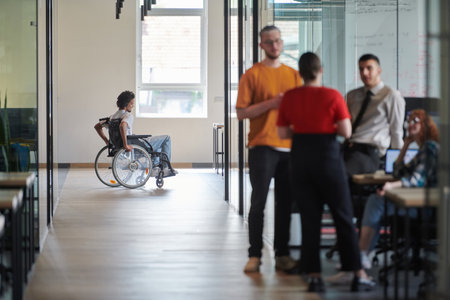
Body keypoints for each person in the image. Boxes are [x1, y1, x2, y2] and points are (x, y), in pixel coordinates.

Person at [277, 52, 375, 292]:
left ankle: (314, 276)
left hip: (300, 159)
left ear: (300, 72)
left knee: (310, 220)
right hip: (328, 159)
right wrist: (325, 125)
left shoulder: (290, 97)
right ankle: (356, 274)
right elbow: (346, 131)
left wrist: (302, 126)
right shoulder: (332, 95)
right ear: (321, 69)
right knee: (343, 216)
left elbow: (282, 134)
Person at [235, 25, 302, 273]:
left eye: (277, 41)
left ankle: (282, 254)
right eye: (269, 42)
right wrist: (273, 103)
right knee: (258, 202)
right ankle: (254, 255)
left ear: (282, 43)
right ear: (261, 45)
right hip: (261, 146)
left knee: (285, 203)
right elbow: (241, 113)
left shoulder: (294, 75)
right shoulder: (251, 75)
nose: (274, 45)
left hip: (289, 148)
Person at [344, 53, 405, 175]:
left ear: (379, 70)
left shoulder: (391, 95)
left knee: (340, 174)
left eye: (369, 68)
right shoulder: (352, 96)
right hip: (349, 147)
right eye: (361, 69)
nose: (364, 73)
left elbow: (396, 131)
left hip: (370, 151)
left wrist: (399, 162)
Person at [94, 90, 176, 176]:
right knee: (166, 138)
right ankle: (164, 168)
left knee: (157, 145)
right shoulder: (127, 116)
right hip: (135, 144)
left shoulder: (112, 117)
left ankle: (154, 168)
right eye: (131, 104)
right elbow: (122, 125)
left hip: (119, 144)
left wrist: (107, 142)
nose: (132, 106)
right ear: (126, 104)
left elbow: (97, 126)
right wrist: (125, 145)